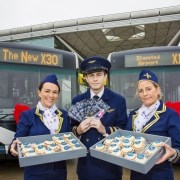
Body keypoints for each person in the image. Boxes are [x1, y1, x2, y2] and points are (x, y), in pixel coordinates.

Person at [71, 56, 128, 180]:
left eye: (99, 74)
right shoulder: (77, 101)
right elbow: (70, 130)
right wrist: (78, 131)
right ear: (85, 78)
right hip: (86, 165)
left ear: (105, 76)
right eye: (91, 75)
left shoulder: (118, 100)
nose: (95, 79)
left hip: (111, 165)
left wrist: (105, 129)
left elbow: (125, 131)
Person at [9, 74, 71, 180]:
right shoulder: (27, 115)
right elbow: (18, 138)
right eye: (47, 91)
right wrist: (14, 145)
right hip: (35, 173)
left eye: (55, 92)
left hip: (59, 173)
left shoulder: (64, 115)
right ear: (39, 92)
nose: (51, 95)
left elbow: (68, 139)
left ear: (58, 94)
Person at [126, 69, 180, 180]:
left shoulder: (170, 115)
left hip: (159, 174)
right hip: (136, 174)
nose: (145, 94)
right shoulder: (133, 115)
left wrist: (174, 153)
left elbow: (178, 148)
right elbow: (127, 139)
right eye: (140, 91)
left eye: (148, 89)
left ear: (158, 90)